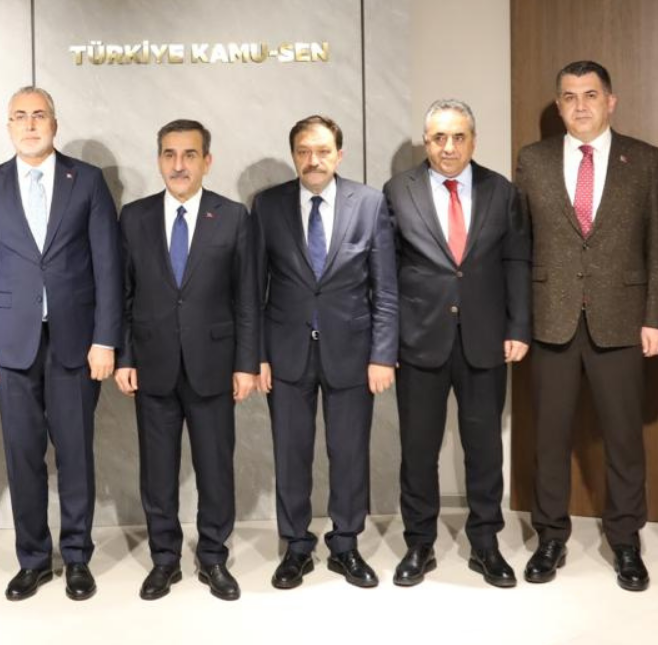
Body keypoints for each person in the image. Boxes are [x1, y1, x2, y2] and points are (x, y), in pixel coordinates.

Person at [0, 86, 123, 602]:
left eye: (39, 116)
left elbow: (109, 266)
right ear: (8, 126)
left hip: (75, 342)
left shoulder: (87, 181)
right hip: (10, 347)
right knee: (23, 454)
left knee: (75, 454)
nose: (30, 125)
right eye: (20, 116)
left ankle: (76, 558)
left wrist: (106, 339)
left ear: (55, 123)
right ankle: (32, 560)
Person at [513, 60, 658, 591]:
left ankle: (625, 539)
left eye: (590, 95)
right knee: (549, 437)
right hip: (550, 319)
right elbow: (519, 247)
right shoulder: (532, 159)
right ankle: (550, 537)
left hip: (622, 321)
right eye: (569, 96)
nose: (580, 105)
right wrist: (520, 321)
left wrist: (655, 317)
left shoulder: (643, 159)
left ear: (610, 101)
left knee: (624, 439)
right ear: (558, 106)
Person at [381, 99, 531, 588]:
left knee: (484, 450)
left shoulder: (501, 190)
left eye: (458, 137)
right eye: (439, 138)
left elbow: (516, 261)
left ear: (473, 140)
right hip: (419, 340)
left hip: (485, 340)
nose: (448, 147)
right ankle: (419, 544)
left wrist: (518, 326)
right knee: (418, 450)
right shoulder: (398, 190)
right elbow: (387, 271)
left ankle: (485, 544)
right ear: (426, 141)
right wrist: (387, 342)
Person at [112, 119, 259, 601]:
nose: (179, 165)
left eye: (189, 155)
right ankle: (165, 560)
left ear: (207, 161)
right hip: (151, 364)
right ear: (159, 160)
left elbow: (247, 298)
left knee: (215, 468)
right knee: (157, 472)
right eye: (170, 154)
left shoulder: (233, 216)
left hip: (214, 365)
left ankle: (213, 557)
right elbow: (123, 294)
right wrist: (124, 356)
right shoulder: (134, 217)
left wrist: (246, 363)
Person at [252, 114, 398, 590]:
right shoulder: (268, 205)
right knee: (290, 453)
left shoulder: (369, 203)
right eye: (303, 151)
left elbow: (385, 288)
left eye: (322, 151)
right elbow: (253, 288)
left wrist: (382, 354)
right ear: (294, 155)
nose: (312, 160)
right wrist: (257, 355)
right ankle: (296, 546)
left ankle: (345, 544)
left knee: (349, 452)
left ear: (339, 154)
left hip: (352, 351)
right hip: (285, 351)